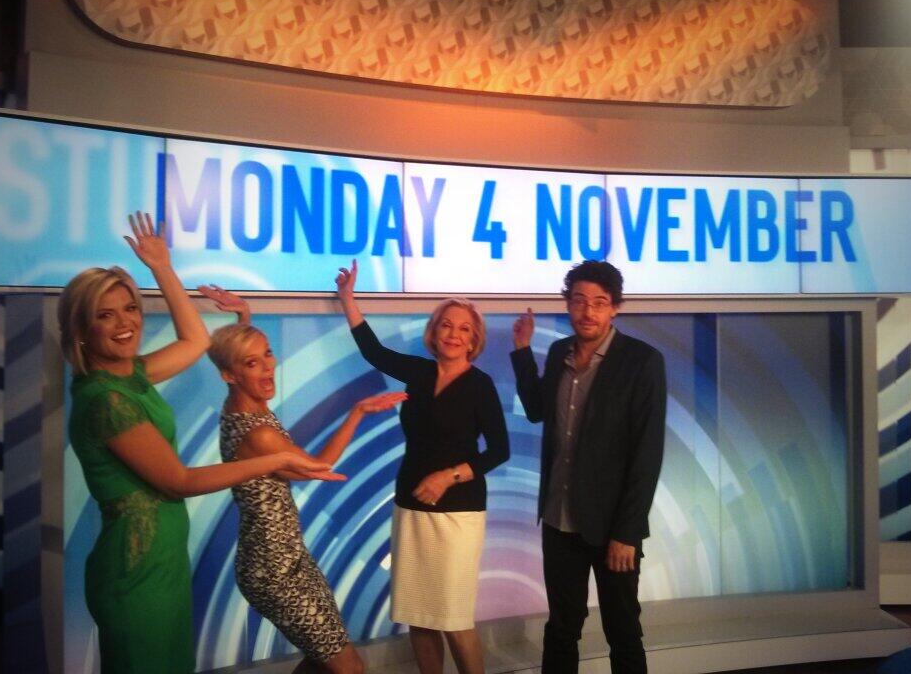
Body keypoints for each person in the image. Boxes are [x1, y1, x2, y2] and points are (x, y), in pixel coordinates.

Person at [61, 213, 341, 674]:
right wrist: (274, 459)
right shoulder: (106, 400)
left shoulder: (130, 376)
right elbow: (180, 481)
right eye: (105, 315)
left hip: (163, 560)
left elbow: (195, 341)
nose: (125, 323)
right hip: (135, 567)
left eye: (130, 308)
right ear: (80, 329)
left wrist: (162, 268)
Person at [199, 285, 407, 673]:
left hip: (286, 557)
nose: (267, 367)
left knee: (323, 658)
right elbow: (319, 465)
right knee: (349, 667)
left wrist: (244, 315)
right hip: (274, 571)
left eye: (267, 354)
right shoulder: (259, 434)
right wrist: (358, 412)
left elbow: (239, 361)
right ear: (229, 375)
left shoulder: (243, 405)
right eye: (253, 363)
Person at [334, 259, 510, 674]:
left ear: (473, 340)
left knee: (453, 618)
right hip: (411, 505)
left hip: (459, 513)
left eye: (463, 329)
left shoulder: (481, 385)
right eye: (446, 325)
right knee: (419, 614)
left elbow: (499, 450)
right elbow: (374, 351)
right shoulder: (418, 371)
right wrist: (347, 298)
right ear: (434, 331)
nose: (453, 334)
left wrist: (448, 476)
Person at [510, 260, 667, 674]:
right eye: (579, 300)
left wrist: (627, 533)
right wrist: (523, 351)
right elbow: (537, 410)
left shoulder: (642, 361)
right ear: (568, 304)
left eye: (599, 302)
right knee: (562, 628)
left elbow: (647, 453)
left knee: (623, 631)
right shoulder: (559, 351)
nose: (588, 311)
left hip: (612, 527)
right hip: (559, 520)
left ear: (614, 307)